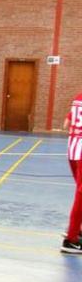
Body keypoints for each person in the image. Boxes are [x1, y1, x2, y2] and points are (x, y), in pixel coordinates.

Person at [61, 95, 82, 254]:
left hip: (72, 150)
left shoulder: (77, 98)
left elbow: (65, 125)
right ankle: (71, 240)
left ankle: (75, 230)